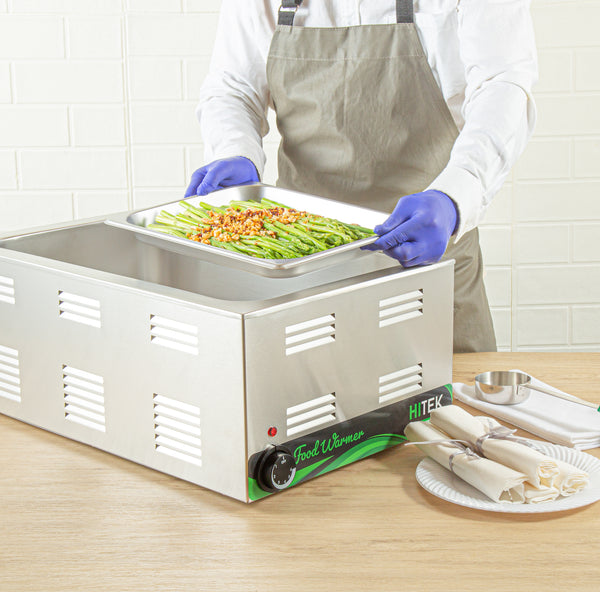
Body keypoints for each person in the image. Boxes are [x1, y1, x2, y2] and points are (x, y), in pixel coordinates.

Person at [185, 0, 538, 353]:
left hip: (430, 266)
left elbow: (503, 84)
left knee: (453, 390)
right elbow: (234, 87)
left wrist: (457, 192)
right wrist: (236, 150)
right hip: (302, 268)